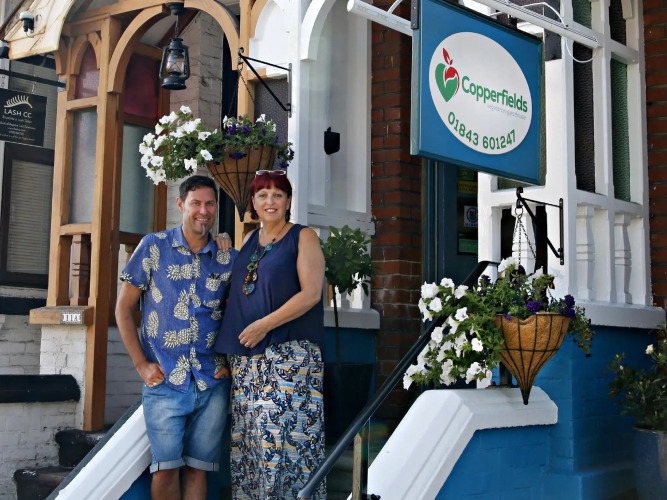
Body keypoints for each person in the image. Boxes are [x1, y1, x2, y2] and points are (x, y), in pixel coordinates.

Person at [115, 175, 236, 500]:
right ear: (181, 204)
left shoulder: (228, 257)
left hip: (212, 383)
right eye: (196, 203)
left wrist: (230, 363)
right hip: (165, 379)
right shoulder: (153, 247)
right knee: (165, 468)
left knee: (198, 469)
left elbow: (241, 313)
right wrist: (140, 364)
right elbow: (123, 309)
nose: (203, 211)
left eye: (210, 204)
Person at [213, 169, 326, 500]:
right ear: (253, 201)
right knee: (250, 446)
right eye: (262, 194)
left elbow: (311, 294)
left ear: (288, 201)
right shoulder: (250, 240)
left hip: (289, 356)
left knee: (287, 444)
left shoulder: (303, 236)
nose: (270, 201)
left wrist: (265, 324)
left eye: (278, 194)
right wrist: (221, 244)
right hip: (248, 361)